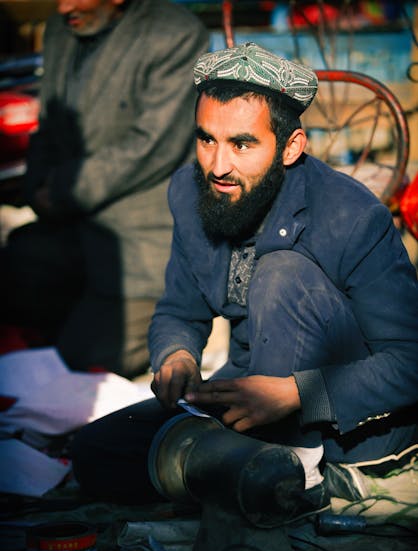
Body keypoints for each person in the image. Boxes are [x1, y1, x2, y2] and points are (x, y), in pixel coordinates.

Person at [70, 43, 418, 517]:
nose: (217, 165)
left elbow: (409, 362)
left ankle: (289, 475)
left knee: (280, 273)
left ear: (291, 147)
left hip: (346, 425)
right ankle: (250, 471)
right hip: (251, 394)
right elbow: (179, 309)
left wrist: (297, 392)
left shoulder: (351, 216)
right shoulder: (190, 192)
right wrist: (176, 356)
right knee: (96, 453)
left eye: (242, 144)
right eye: (206, 139)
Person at [0, 0, 209, 379]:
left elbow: (150, 146)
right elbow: (49, 122)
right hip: (68, 229)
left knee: (78, 368)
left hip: (140, 242)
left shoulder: (175, 33)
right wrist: (39, 188)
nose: (65, 7)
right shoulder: (62, 28)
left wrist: (62, 188)